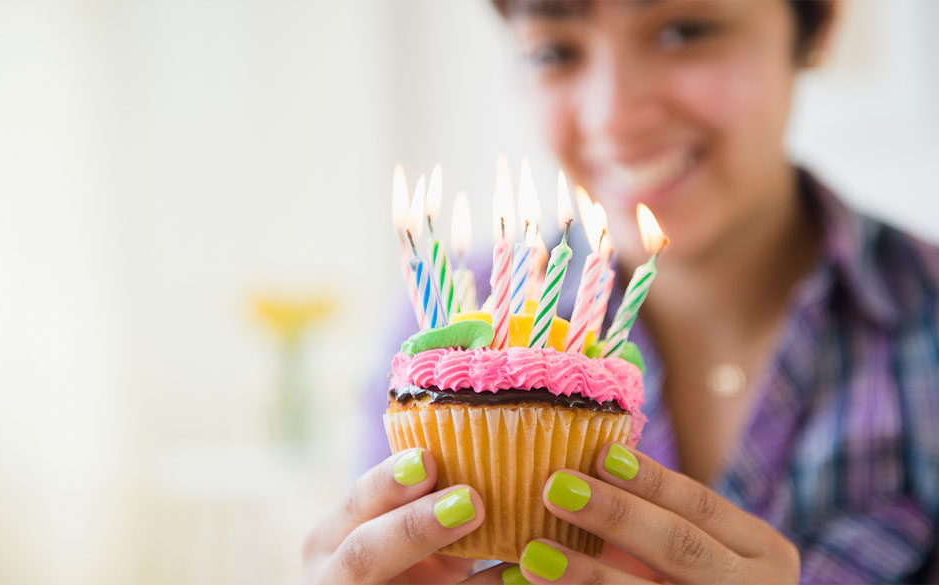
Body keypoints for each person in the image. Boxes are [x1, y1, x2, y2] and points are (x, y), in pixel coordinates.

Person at [302, 1, 939, 583]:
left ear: (818, 25)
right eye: (556, 50)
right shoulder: (447, 323)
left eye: (684, 31)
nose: (615, 114)